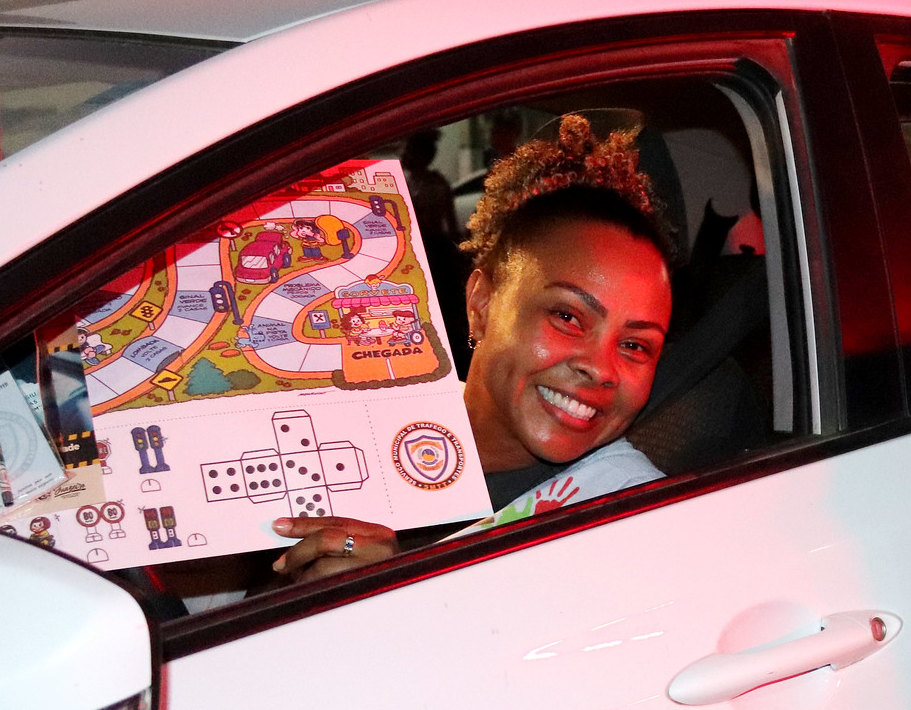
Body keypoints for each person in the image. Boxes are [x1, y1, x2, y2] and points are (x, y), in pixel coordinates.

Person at [273, 113, 673, 583]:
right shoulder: (339, 429)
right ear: (481, 304)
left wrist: (393, 596)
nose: (600, 369)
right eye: (567, 317)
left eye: (634, 345)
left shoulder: (640, 520)